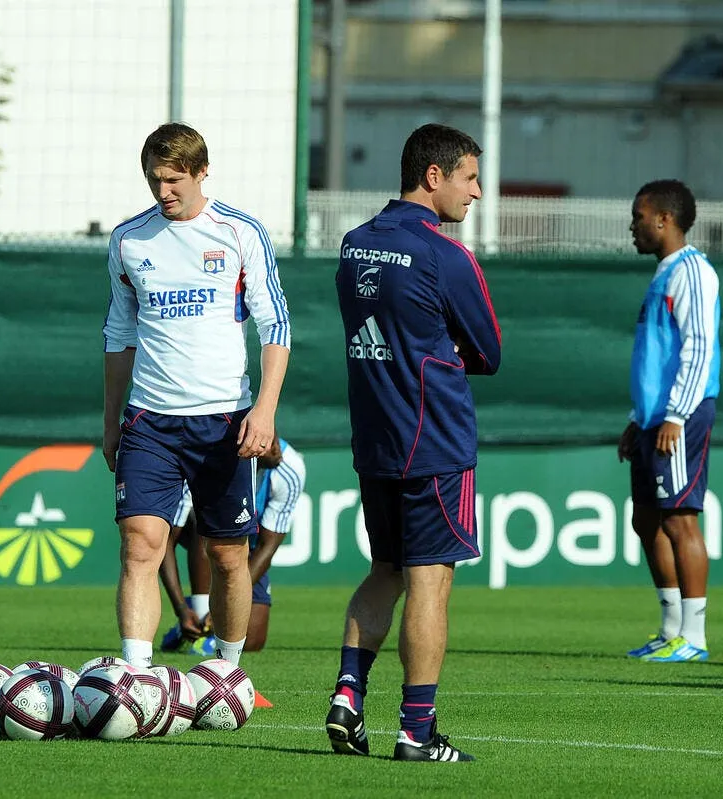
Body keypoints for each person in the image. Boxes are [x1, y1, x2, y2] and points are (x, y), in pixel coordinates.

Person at [326, 123, 501, 763]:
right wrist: (445, 346)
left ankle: (348, 693)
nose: (477, 192)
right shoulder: (444, 255)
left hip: (375, 437)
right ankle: (416, 732)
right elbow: (489, 352)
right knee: (429, 583)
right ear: (435, 177)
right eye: (470, 177)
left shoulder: (353, 245)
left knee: (385, 571)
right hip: (434, 443)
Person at [101, 122, 291, 672]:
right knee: (140, 545)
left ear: (202, 172)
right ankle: (135, 678)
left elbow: (275, 324)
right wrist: (111, 421)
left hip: (225, 421)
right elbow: (119, 334)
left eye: (174, 180)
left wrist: (265, 411)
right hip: (150, 421)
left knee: (229, 555)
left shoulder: (240, 233)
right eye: (155, 180)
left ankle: (226, 674)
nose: (164, 191)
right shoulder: (129, 240)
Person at [618, 178, 720, 663]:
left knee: (680, 519)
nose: (633, 225)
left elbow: (697, 349)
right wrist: (637, 419)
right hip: (653, 418)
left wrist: (676, 415)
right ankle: (671, 628)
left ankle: (694, 637)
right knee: (647, 521)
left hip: (680, 415)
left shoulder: (693, 271)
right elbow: (655, 358)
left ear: (663, 218)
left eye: (639, 215)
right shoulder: (663, 273)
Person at [158, 436, 307, 658]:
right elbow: (165, 540)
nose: (278, 450)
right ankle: (197, 617)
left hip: (248, 551)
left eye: (275, 439)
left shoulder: (290, 468)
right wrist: (180, 608)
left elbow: (267, 547)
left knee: (253, 640)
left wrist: (228, 599)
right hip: (203, 537)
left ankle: (200, 625)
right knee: (207, 524)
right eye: (270, 445)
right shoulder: (208, 463)